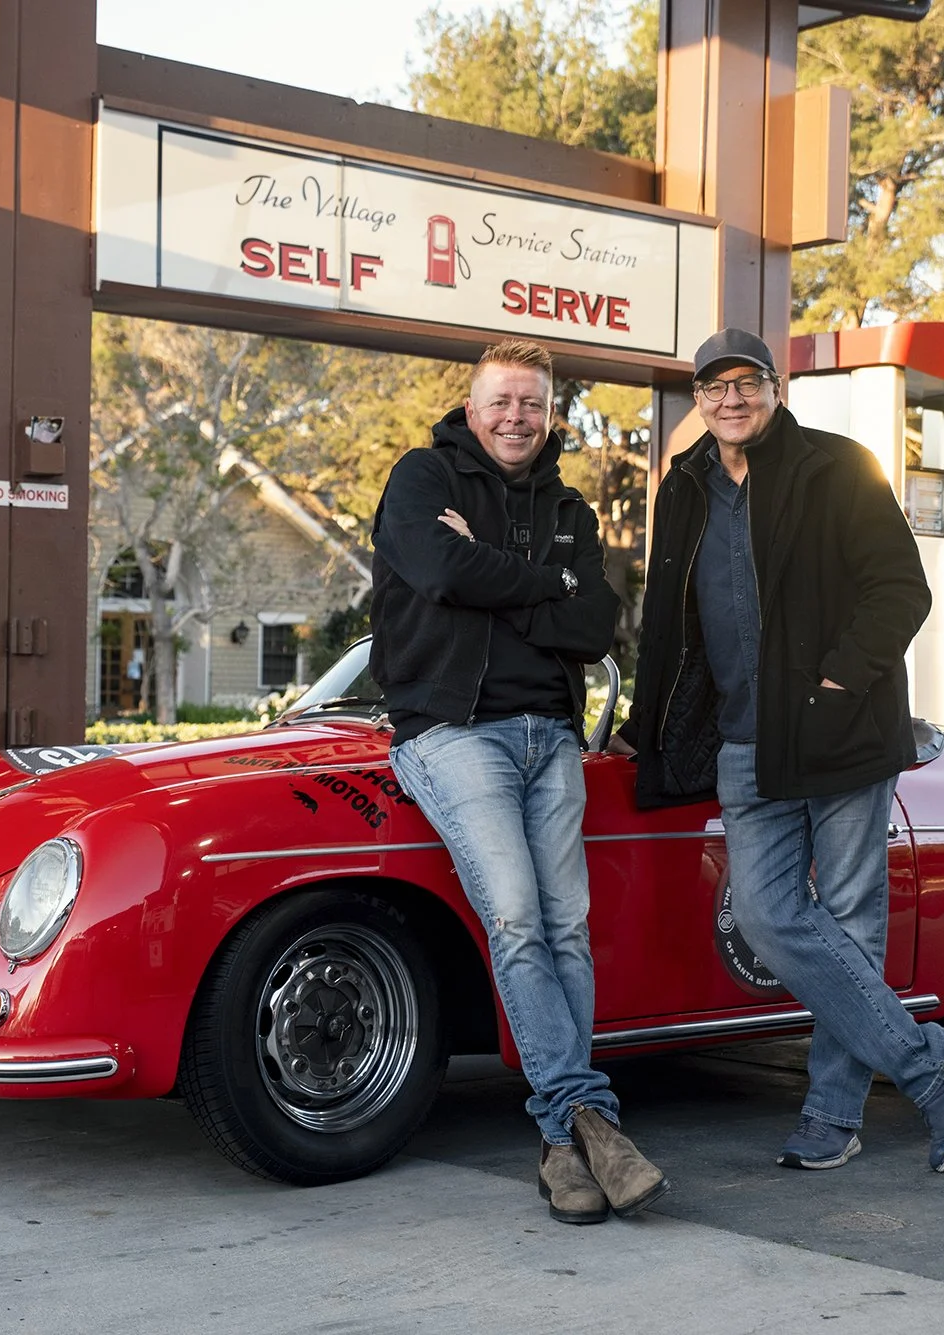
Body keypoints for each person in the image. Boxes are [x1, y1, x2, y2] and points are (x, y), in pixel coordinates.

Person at [616, 327, 944, 1173]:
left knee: (851, 916)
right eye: (714, 387)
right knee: (772, 917)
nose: (730, 400)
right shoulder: (687, 488)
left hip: (841, 730)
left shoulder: (837, 467)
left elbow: (900, 590)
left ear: (776, 388)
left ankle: (831, 1112)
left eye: (747, 383)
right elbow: (668, 617)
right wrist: (652, 716)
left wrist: (837, 686)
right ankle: (928, 1063)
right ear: (700, 400)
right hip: (743, 739)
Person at [370, 338, 665, 1224]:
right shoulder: (422, 480)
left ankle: (561, 1151)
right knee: (516, 918)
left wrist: (498, 577)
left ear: (549, 412)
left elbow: (594, 621)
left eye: (531, 404)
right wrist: (544, 586)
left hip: (551, 739)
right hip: (452, 734)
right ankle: (590, 1117)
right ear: (472, 406)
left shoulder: (569, 505)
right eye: (501, 401)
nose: (515, 418)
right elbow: (437, 569)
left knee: (568, 930)